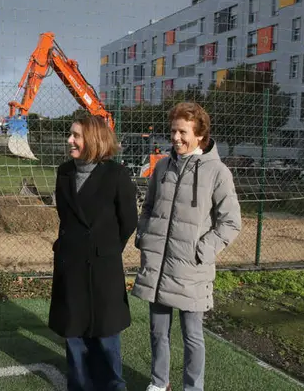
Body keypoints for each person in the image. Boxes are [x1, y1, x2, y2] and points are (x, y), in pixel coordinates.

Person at [132, 102, 242, 391]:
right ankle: (159, 384)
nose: (176, 138)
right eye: (173, 131)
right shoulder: (163, 166)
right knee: (158, 331)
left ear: (200, 134)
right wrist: (144, 236)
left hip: (192, 268)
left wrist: (202, 251)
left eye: (182, 132)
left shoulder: (217, 172)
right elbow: (149, 206)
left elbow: (230, 222)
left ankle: (193, 388)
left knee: (192, 334)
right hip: (158, 265)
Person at [48, 114, 138, 391]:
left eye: (76, 136)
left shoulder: (116, 175)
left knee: (105, 333)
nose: (70, 140)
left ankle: (113, 385)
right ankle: (79, 385)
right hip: (71, 264)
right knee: (74, 333)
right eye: (70, 134)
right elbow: (65, 216)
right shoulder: (64, 172)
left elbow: (129, 221)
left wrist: (105, 249)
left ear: (94, 140)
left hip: (102, 267)